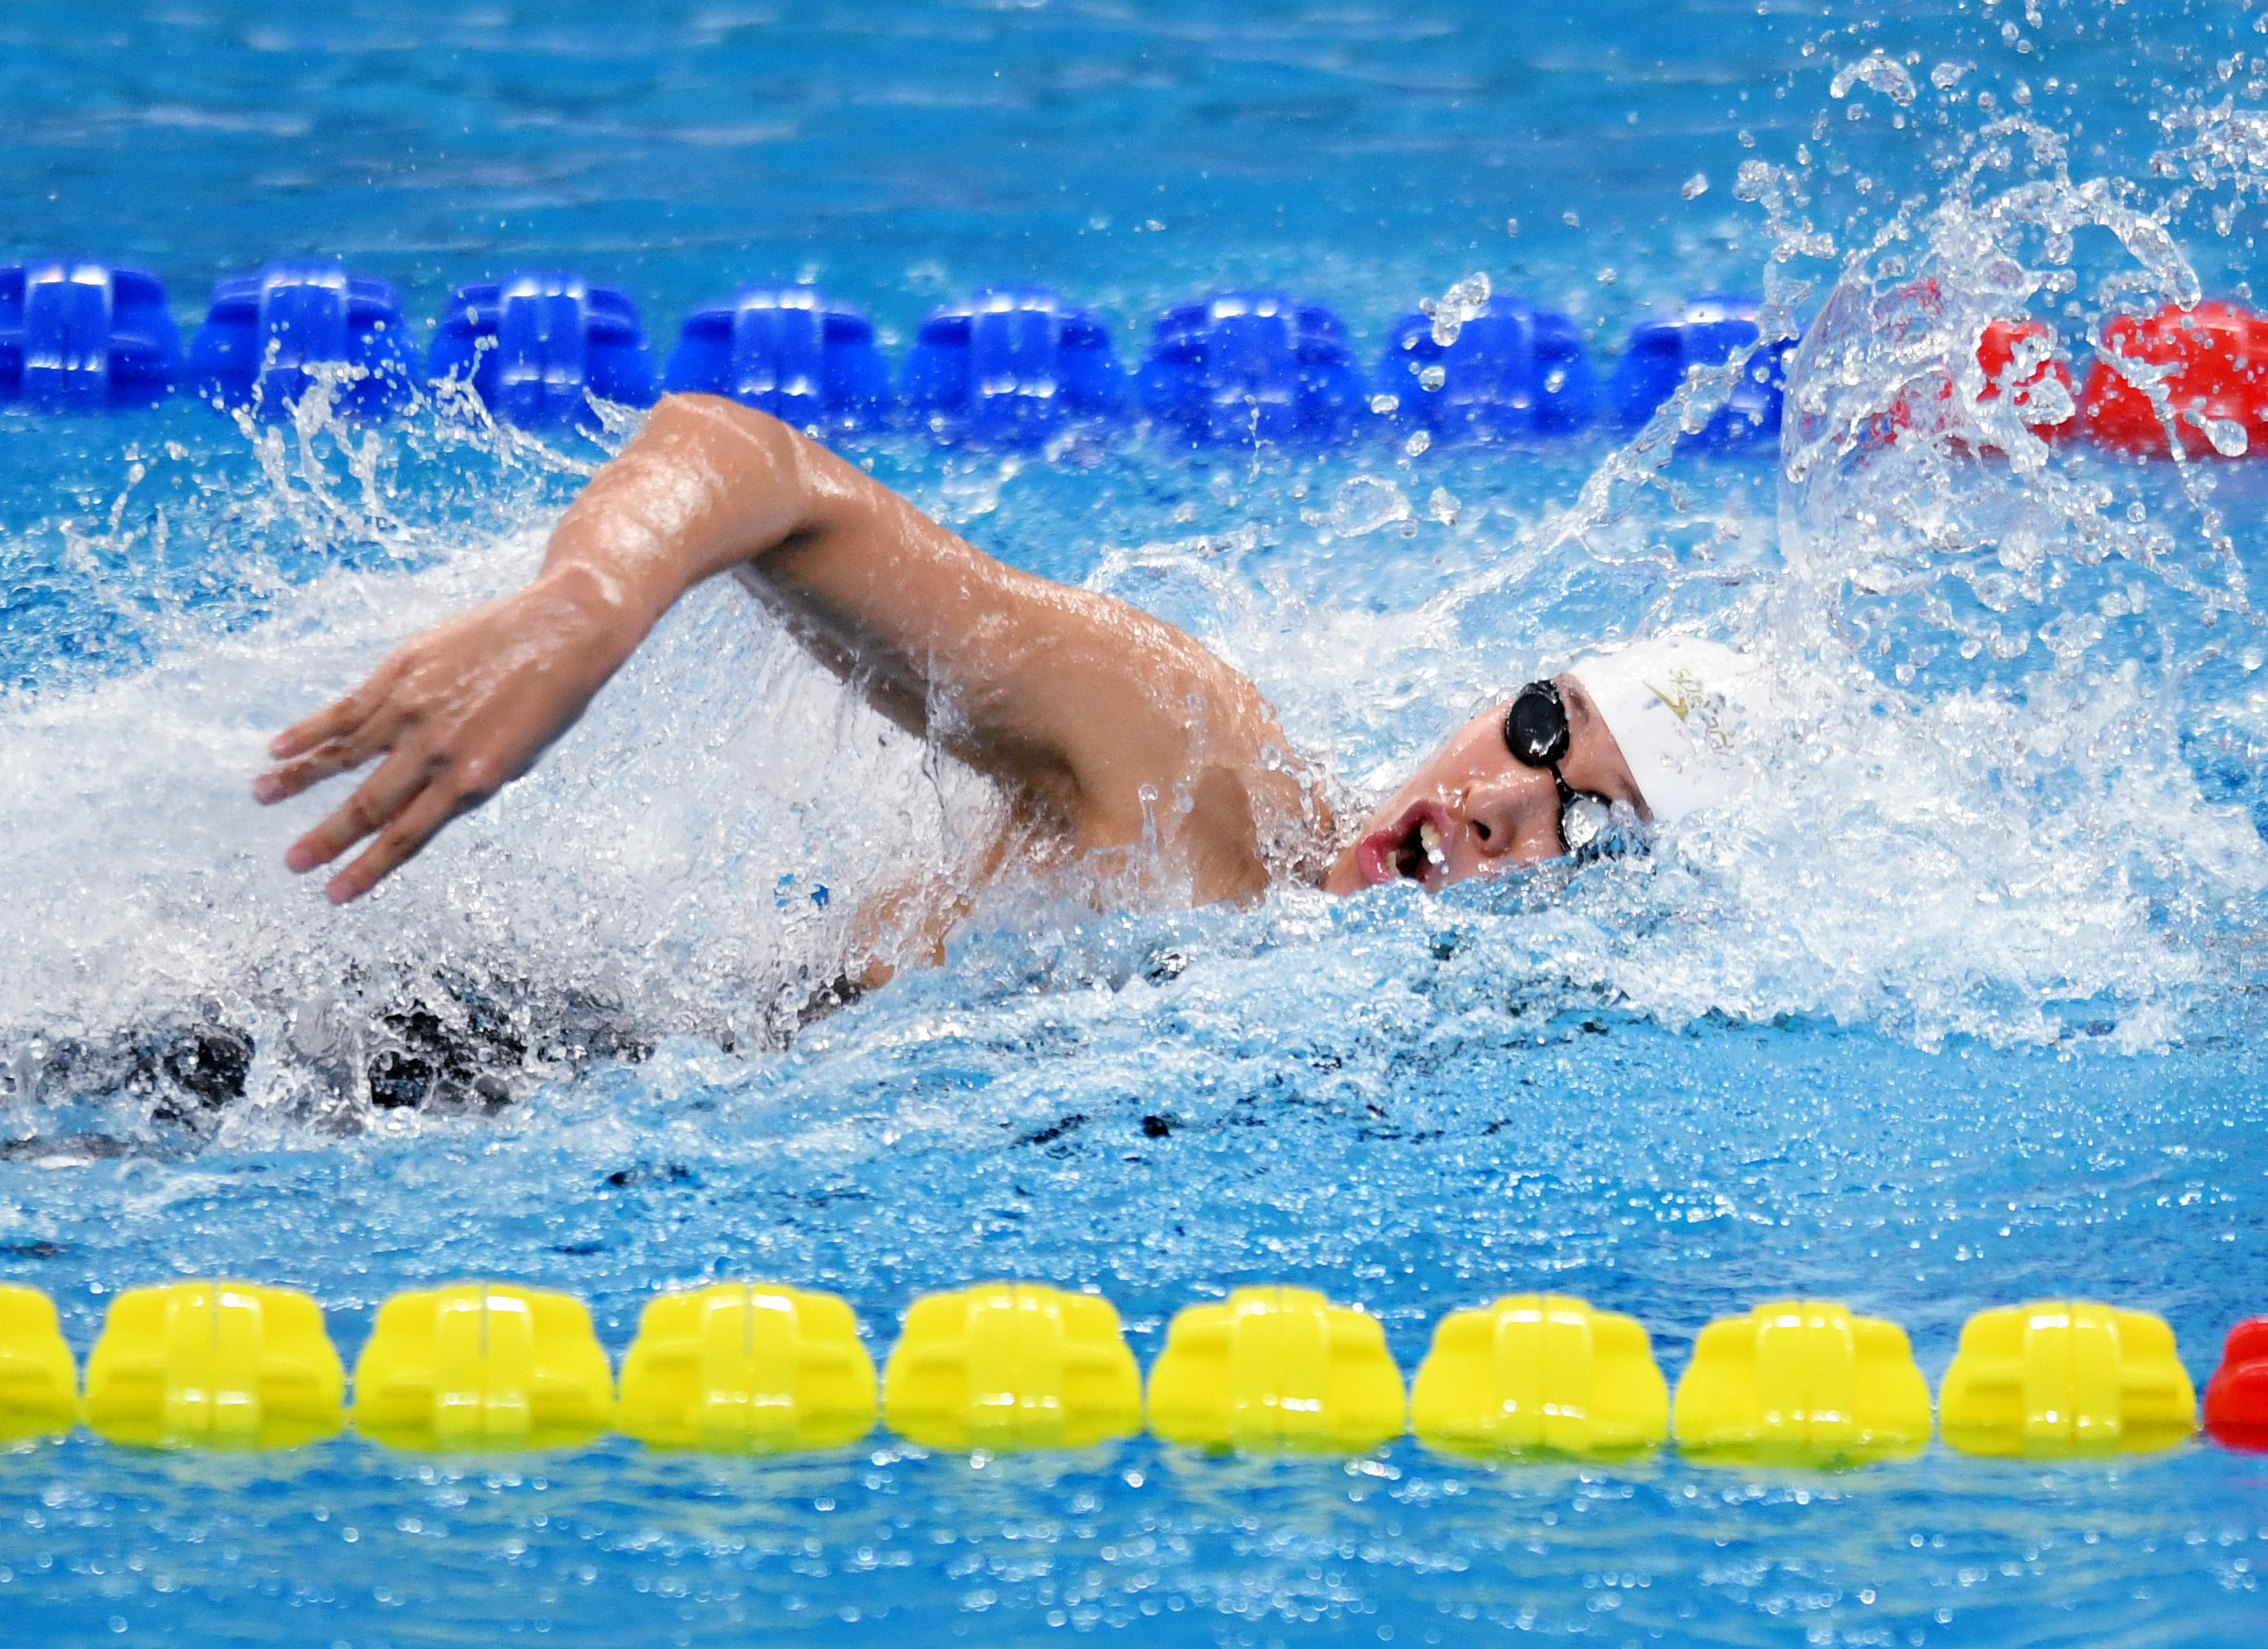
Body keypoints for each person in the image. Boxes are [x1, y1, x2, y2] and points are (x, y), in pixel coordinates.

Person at [255, 394, 1769, 952]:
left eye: (1592, 827)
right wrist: (583, 607)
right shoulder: (1191, 764)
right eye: (1536, 729)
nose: (1502, 801)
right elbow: (758, 465)